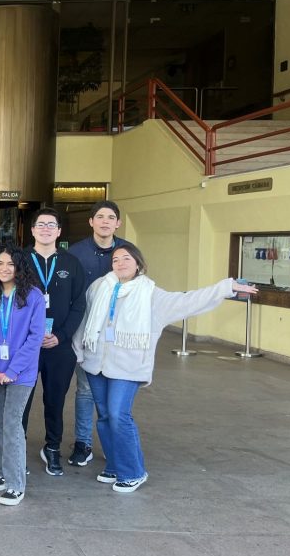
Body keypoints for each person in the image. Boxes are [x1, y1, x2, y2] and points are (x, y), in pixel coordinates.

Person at [73, 244, 257, 493]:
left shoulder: (151, 294)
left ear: (138, 263)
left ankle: (133, 472)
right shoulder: (99, 287)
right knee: (105, 416)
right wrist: (79, 351)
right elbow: (85, 319)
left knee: (118, 415)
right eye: (115, 260)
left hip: (128, 367)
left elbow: (188, 301)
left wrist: (225, 287)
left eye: (126, 259)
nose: (120, 263)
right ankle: (115, 464)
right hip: (95, 363)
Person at [0, 245, 45, 506]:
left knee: (12, 424)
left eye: (11, 264)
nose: (4, 269)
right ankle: (3, 472)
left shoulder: (34, 296)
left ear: (20, 268)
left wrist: (13, 370)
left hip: (21, 373)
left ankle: (16, 484)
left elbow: (35, 337)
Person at [66, 201, 135, 467]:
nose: (105, 221)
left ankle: (113, 442)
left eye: (111, 217)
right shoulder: (76, 253)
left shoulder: (127, 252)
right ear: (91, 222)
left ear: (118, 223)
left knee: (116, 392)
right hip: (87, 333)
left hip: (120, 335)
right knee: (85, 390)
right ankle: (83, 443)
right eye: (100, 217)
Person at [22, 210, 87, 476]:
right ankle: (17, 449)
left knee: (55, 400)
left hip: (59, 345)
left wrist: (61, 335)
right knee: (20, 400)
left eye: (52, 224)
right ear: (32, 230)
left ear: (59, 231)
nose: (46, 228)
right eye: (41, 224)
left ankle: (52, 447)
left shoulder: (71, 263)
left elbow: (79, 304)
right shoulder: (21, 260)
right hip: (25, 346)